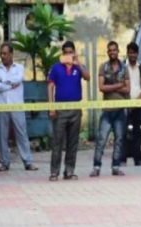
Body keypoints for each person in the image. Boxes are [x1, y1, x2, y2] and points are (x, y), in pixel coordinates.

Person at [0, 43, 38, 173]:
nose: (2, 56)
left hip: (17, 105)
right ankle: (4, 163)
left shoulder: (19, 68)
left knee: (21, 134)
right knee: (2, 135)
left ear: (11, 54)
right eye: (1, 53)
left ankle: (28, 162)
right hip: (1, 106)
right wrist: (10, 85)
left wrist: (3, 82)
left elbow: (18, 79)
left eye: (5, 53)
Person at [48, 41, 90, 181]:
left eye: (70, 52)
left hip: (75, 109)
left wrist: (79, 64)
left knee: (73, 142)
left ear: (74, 53)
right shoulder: (56, 68)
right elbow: (50, 87)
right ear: (62, 54)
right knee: (57, 141)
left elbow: (88, 77)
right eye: (65, 53)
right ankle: (54, 172)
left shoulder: (78, 67)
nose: (68, 55)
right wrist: (51, 106)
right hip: (60, 109)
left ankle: (69, 171)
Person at [90, 41, 130, 177]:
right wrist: (118, 86)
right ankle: (96, 167)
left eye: (114, 50)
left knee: (119, 139)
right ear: (107, 52)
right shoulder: (103, 67)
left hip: (120, 109)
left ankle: (116, 166)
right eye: (110, 50)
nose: (112, 52)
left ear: (118, 51)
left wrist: (111, 87)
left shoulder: (124, 68)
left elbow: (127, 89)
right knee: (101, 139)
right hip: (107, 110)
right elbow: (101, 87)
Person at [124, 42, 141, 167]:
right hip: (125, 104)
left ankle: (138, 159)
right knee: (122, 132)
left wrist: (135, 103)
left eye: (134, 53)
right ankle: (122, 159)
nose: (132, 55)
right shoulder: (123, 67)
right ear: (127, 53)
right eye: (130, 53)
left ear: (137, 54)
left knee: (137, 133)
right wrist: (128, 102)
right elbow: (121, 85)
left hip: (138, 105)